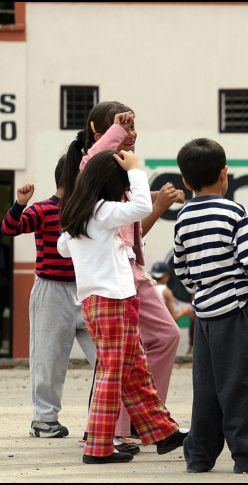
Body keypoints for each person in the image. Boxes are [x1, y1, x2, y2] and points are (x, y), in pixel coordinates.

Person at [65, 101, 184, 448]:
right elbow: (93, 166)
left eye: (133, 128)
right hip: (112, 287)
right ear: (99, 135)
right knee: (115, 363)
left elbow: (126, 233)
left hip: (128, 274)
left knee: (153, 343)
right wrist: (120, 138)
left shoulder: (110, 195)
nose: (131, 135)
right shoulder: (92, 184)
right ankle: (109, 436)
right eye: (122, 129)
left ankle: (147, 427)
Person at [174, 138, 248, 474]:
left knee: (206, 386)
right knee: (242, 383)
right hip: (235, 309)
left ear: (186, 182)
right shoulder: (233, 211)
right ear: (224, 174)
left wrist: (204, 286)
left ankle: (200, 456)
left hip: (204, 311)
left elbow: (181, 270)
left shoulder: (183, 216)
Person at [1, 156, 97, 439]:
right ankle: (44, 420)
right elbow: (9, 229)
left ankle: (104, 420)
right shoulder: (43, 209)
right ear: (73, 178)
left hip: (89, 289)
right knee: (48, 358)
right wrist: (20, 204)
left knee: (107, 358)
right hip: (52, 291)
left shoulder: (92, 210)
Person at [150, 261, 195, 355]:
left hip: (149, 332)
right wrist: (184, 311)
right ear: (166, 275)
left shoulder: (148, 289)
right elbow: (172, 318)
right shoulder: (166, 292)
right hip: (162, 334)